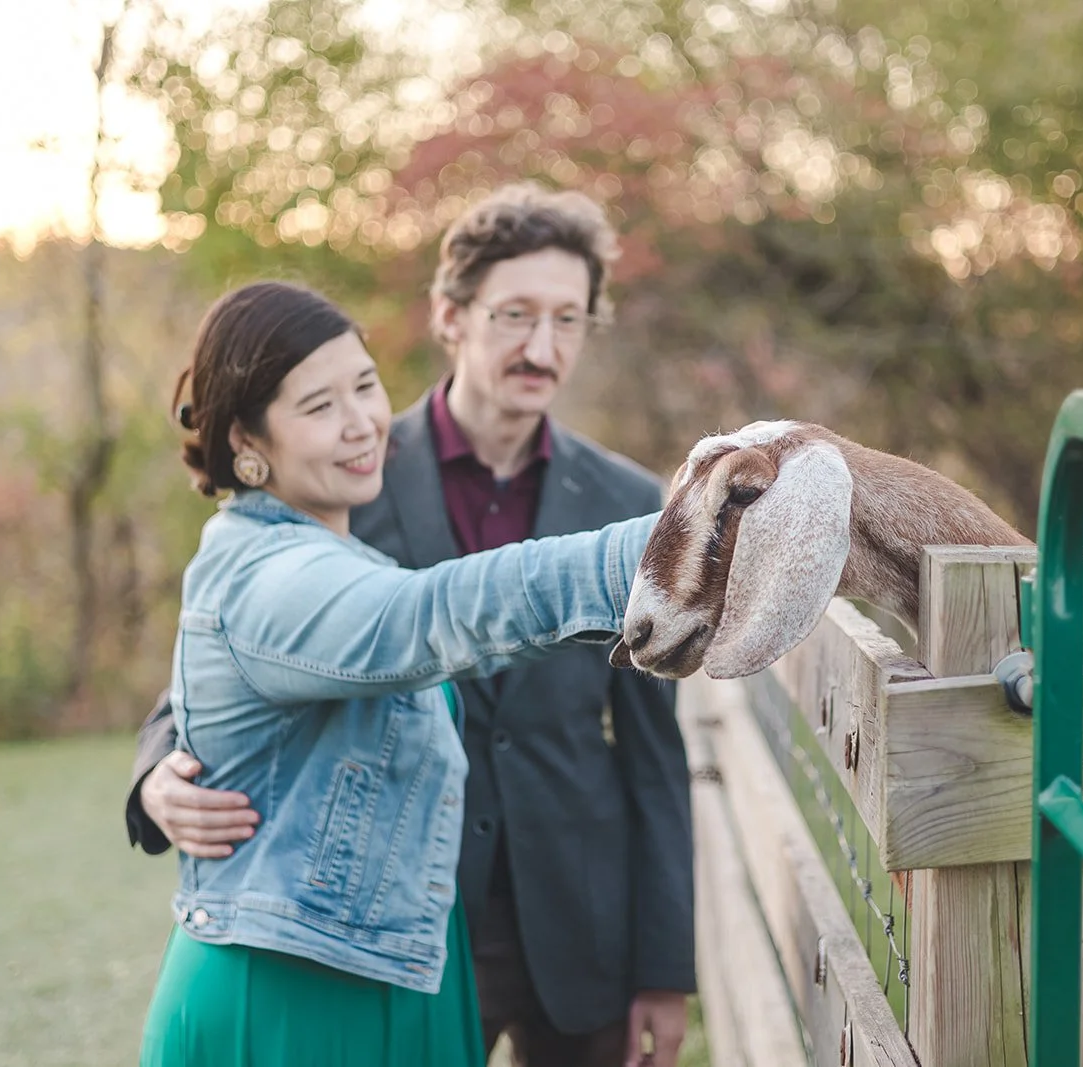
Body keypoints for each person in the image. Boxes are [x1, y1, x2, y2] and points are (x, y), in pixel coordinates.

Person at [127, 185, 695, 1066]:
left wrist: (664, 965)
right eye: (515, 315)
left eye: (568, 319)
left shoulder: (623, 492)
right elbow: (234, 654)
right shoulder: (340, 473)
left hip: (577, 915)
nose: (542, 347)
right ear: (450, 315)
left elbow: (656, 754)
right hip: (400, 918)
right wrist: (156, 775)